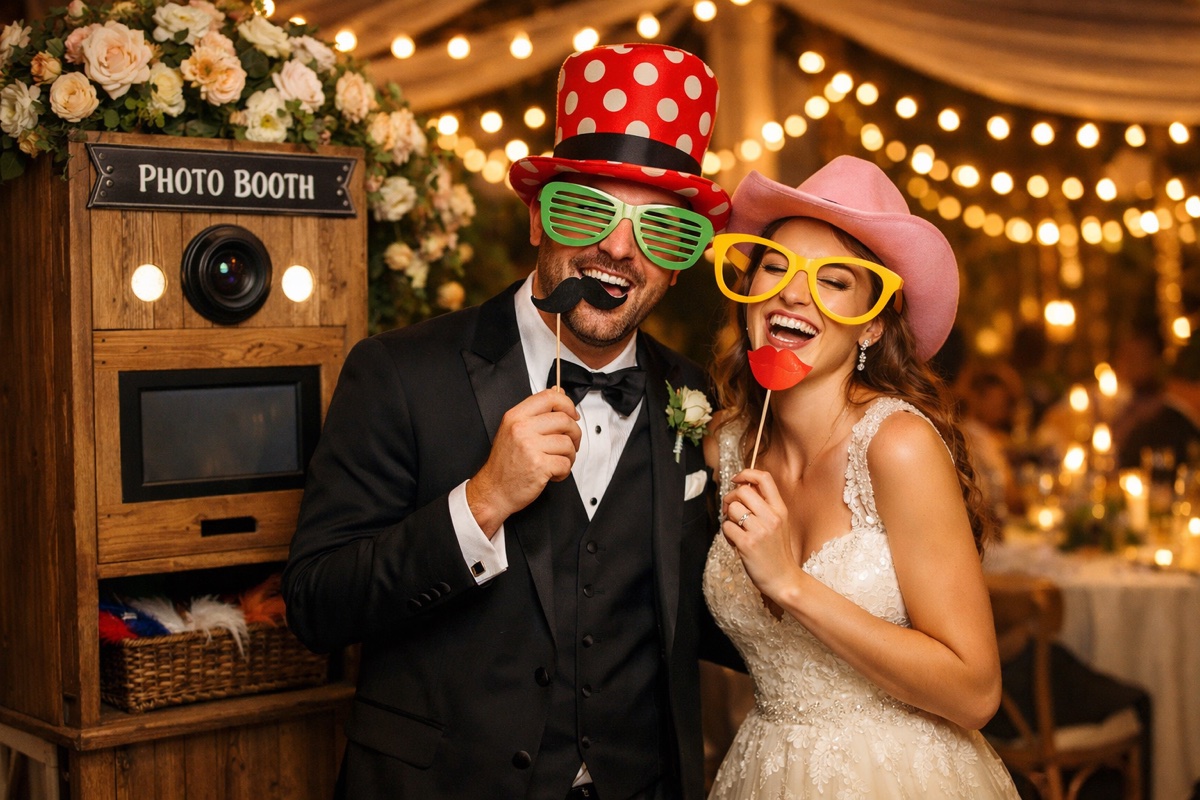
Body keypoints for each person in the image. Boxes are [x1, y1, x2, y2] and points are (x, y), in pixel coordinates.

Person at [282, 43, 741, 800]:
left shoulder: (695, 399)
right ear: (537, 215)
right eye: (589, 209)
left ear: (681, 258)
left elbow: (704, 615)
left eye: (660, 231)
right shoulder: (401, 372)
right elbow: (316, 604)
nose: (618, 249)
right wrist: (482, 501)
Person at [700, 156, 1020, 797]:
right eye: (775, 266)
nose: (794, 292)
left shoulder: (897, 445)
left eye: (834, 281)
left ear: (872, 322)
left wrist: (790, 584)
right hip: (765, 770)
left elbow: (977, 691)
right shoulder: (727, 447)